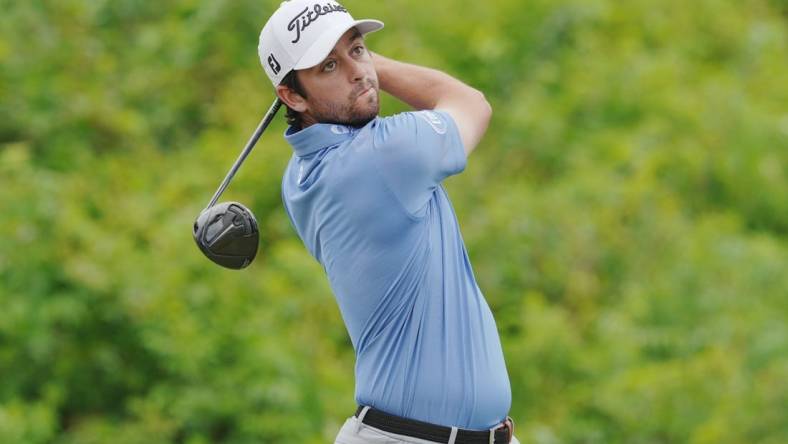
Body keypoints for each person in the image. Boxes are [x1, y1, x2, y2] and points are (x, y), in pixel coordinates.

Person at [258, 1, 519, 443]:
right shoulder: (383, 156)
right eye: (328, 67)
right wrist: (370, 62)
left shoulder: (299, 176)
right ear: (292, 96)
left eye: (358, 50)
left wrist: (338, 61)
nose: (357, 72)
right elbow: (471, 104)